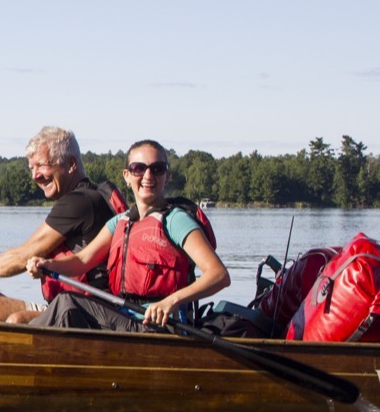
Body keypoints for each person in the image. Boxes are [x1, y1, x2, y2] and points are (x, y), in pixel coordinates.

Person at [26, 139, 229, 331]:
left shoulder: (176, 220)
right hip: (126, 318)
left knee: (67, 303)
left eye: (157, 169)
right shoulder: (121, 222)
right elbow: (82, 260)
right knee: (67, 303)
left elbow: (219, 275)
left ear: (167, 176)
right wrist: (47, 265)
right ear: (127, 175)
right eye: (139, 168)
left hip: (160, 327)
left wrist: (172, 300)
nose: (148, 176)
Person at [0, 126, 123, 324]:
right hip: (63, 305)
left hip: (91, 313)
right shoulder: (81, 198)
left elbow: (23, 256)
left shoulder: (80, 202)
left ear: (70, 164)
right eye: (31, 168)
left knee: (17, 321)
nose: (35, 175)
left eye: (43, 165)